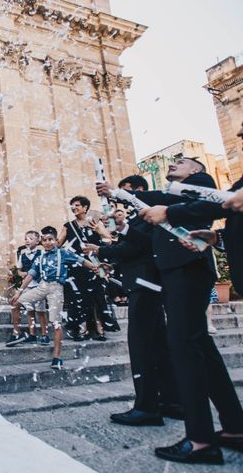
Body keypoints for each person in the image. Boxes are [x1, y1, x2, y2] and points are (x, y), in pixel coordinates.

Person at [99, 157, 243, 464]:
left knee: (185, 348)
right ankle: (234, 426)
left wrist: (125, 196)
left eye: (183, 161)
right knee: (200, 346)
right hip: (179, 269)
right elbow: (158, 211)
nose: (176, 163)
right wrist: (122, 206)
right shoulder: (177, 195)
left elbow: (178, 202)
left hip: (186, 268)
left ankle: (201, 439)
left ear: (196, 170)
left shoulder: (200, 185)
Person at [86, 175, 181, 427]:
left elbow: (136, 247)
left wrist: (99, 249)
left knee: (141, 347)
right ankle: (171, 401)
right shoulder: (141, 217)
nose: (121, 197)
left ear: (138, 191)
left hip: (145, 284)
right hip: (146, 283)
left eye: (125, 192)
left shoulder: (148, 214)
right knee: (158, 345)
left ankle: (147, 407)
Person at [10, 226, 98, 370]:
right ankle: (16, 333)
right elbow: (31, 274)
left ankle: (57, 357)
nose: (47, 242)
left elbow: (81, 260)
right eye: (44, 240)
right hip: (41, 286)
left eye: (50, 239)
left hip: (56, 288)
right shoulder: (40, 256)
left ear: (56, 240)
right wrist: (19, 292)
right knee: (16, 303)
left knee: (55, 322)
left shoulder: (63, 253)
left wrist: (94, 267)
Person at [58, 196, 115, 341]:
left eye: (77, 205)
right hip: (76, 266)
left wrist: (99, 231)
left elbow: (109, 241)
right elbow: (58, 243)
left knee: (97, 297)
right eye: (72, 205)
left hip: (95, 264)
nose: (74, 208)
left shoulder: (94, 222)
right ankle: (82, 328)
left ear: (85, 208)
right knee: (78, 297)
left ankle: (99, 328)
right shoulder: (69, 226)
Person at [6, 230, 48, 346]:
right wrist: (22, 273)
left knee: (40, 311)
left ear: (37, 241)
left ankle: (45, 334)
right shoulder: (23, 255)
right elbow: (18, 270)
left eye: (30, 238)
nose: (27, 240)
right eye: (25, 238)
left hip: (39, 285)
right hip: (28, 286)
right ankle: (32, 334)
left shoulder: (42, 253)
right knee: (30, 311)